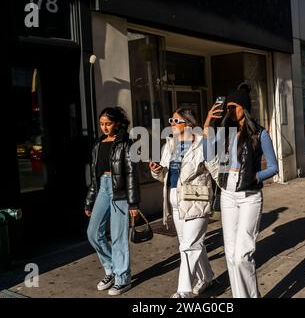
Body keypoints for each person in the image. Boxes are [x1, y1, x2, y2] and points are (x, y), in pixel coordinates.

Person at [203, 86, 279, 298]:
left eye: (233, 107)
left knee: (242, 256)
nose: (229, 111)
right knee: (230, 255)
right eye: (227, 107)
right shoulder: (225, 133)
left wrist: (255, 177)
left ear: (244, 107)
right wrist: (208, 121)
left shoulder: (260, 133)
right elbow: (207, 154)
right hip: (227, 193)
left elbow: (274, 167)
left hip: (249, 196)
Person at [149, 108, 215, 298]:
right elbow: (164, 176)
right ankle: (207, 277)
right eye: (171, 120)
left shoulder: (203, 144)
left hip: (197, 198)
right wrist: (157, 170)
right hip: (175, 201)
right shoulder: (169, 145)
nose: (171, 123)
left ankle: (183, 291)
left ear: (188, 124)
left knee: (188, 246)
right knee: (192, 243)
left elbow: (217, 171)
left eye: (175, 120)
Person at [84, 106, 140, 296]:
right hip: (102, 188)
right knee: (93, 233)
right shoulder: (98, 144)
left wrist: (133, 203)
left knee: (118, 238)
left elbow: (132, 173)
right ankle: (111, 269)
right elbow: (94, 176)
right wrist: (90, 201)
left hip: (121, 192)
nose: (104, 127)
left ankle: (123, 278)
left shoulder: (125, 142)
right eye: (102, 124)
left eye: (108, 123)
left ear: (116, 123)